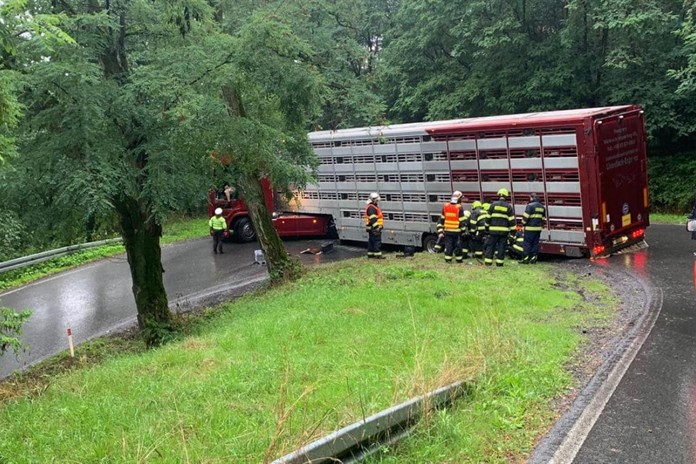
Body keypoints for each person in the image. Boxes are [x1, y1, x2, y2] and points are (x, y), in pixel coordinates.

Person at [484, 188, 515, 267]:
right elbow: (511, 221)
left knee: (491, 246)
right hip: (503, 232)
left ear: (499, 195)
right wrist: (512, 233)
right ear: (506, 196)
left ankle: (488, 262)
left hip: (493, 231)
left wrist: (487, 228)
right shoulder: (508, 207)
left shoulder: (493, 205)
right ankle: (499, 263)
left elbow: (488, 218)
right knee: (501, 247)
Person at [436, 191, 466, 263]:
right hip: (457, 231)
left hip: (447, 230)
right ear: (459, 198)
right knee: (458, 245)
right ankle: (459, 260)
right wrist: (464, 230)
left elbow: (442, 219)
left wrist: (441, 230)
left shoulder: (445, 206)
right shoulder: (459, 207)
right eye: (461, 198)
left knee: (448, 245)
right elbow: (462, 221)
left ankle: (448, 260)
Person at [520, 192, 546, 264]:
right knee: (535, 243)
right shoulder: (542, 207)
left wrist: (523, 224)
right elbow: (543, 219)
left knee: (527, 243)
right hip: (538, 229)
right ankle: (534, 258)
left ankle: (525, 258)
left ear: (531, 197)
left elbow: (525, 217)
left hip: (529, 228)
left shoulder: (530, 206)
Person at [364, 192, 385, 259]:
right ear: (373, 200)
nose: (377, 201)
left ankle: (371, 254)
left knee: (372, 241)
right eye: (376, 200)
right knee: (377, 241)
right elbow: (373, 219)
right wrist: (377, 227)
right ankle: (377, 254)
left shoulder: (372, 207)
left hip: (371, 228)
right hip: (374, 228)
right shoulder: (372, 208)